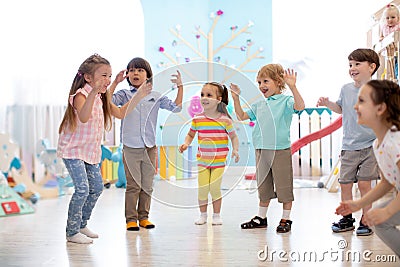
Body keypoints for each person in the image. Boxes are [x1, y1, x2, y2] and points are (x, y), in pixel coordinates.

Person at [57, 54, 151, 244]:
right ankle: (71, 231)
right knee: (82, 189)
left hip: (90, 152)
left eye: (109, 76)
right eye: (103, 76)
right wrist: (94, 93)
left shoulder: (100, 98)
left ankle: (81, 224)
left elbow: (121, 112)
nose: (107, 80)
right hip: (73, 151)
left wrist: (138, 95)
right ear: (88, 78)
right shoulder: (80, 96)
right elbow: (83, 117)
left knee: (97, 188)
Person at [230, 64, 305, 233]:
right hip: (261, 150)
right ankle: (261, 217)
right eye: (259, 82)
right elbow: (241, 116)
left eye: (265, 81)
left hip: (280, 150)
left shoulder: (286, 101)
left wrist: (293, 87)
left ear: (278, 82)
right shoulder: (259, 105)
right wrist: (236, 99)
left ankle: (286, 218)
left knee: (284, 186)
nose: (262, 85)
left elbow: (300, 107)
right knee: (263, 186)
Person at [111, 57, 183, 231]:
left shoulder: (156, 96)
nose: (135, 73)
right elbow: (108, 103)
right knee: (133, 185)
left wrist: (180, 87)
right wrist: (115, 82)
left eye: (140, 70)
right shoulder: (123, 95)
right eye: (132, 70)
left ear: (148, 75)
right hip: (130, 147)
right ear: (127, 74)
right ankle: (131, 219)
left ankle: (144, 217)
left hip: (150, 147)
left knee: (147, 185)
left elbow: (177, 108)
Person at [317, 48, 380, 236]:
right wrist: (328, 104)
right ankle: (347, 218)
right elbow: (341, 108)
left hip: (371, 145)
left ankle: (366, 219)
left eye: (357, 64)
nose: (352, 68)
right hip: (349, 146)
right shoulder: (346, 89)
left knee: (364, 185)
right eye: (350, 65)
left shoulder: (378, 90)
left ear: (371, 67)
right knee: (345, 184)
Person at [336, 79, 400, 257]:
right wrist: (358, 204)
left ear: (380, 109)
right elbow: (388, 182)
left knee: (382, 218)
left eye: (362, 101)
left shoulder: (396, 142)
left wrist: (387, 211)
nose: (355, 106)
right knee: (378, 221)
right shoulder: (378, 144)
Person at [179, 82, 239, 226]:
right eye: (202, 95)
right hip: (203, 161)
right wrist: (186, 143)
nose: (204, 98)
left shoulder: (225, 120)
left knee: (214, 188)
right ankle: (203, 215)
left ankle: (217, 215)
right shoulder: (198, 119)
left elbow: (234, 137)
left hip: (219, 161)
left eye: (209, 95)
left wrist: (235, 150)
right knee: (203, 189)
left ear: (218, 99)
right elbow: (190, 135)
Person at [379, 3, 400, 81]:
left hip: (398, 50)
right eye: (387, 18)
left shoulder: (398, 26)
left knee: (397, 65)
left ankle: (397, 76)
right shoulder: (384, 27)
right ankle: (395, 77)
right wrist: (382, 39)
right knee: (391, 66)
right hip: (389, 52)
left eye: (393, 17)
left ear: (398, 18)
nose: (390, 20)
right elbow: (381, 36)